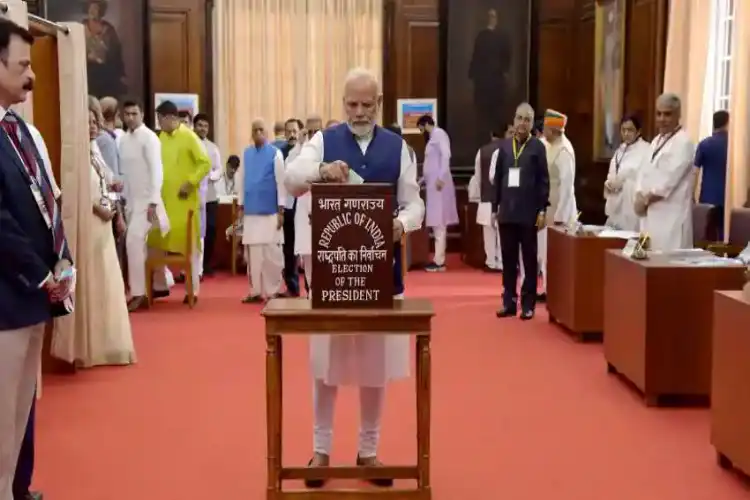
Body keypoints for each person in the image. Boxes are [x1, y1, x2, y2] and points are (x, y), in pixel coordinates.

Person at [285, 67, 425, 487]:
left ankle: (369, 452)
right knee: (325, 365)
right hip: (332, 277)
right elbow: (292, 180)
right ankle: (321, 451)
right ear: (342, 102)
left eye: (367, 105)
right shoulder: (323, 141)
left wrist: (402, 225)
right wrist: (320, 173)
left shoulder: (398, 147)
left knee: (374, 366)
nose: (359, 112)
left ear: (378, 104)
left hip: (382, 274)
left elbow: (414, 204)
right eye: (352, 104)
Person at [0, 18, 74, 500]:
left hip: (35, 297)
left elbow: (48, 200)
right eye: (23, 64)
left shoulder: (22, 131)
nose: (32, 75)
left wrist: (62, 261)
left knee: (19, 412)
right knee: (0, 414)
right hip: (6, 296)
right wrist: (39, 272)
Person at [83, 104, 135, 366]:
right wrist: (105, 210)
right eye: (88, 121)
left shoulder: (97, 152)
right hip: (91, 224)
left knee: (109, 279)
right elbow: (82, 191)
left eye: (95, 121)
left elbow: (105, 184)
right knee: (95, 280)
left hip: (105, 219)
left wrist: (115, 210)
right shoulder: (79, 156)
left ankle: (107, 342)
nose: (92, 125)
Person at [148, 100, 211, 304]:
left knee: (189, 248)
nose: (158, 123)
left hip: (184, 205)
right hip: (163, 203)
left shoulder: (189, 136)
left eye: (160, 119)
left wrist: (190, 182)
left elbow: (205, 163)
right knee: (155, 243)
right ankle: (159, 286)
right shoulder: (160, 138)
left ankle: (192, 291)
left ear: (171, 118)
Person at [492, 102, 549, 320]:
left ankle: (528, 304)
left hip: (528, 213)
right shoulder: (504, 148)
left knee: (529, 259)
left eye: (527, 119)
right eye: (519, 118)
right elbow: (497, 179)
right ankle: (509, 302)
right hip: (507, 211)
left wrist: (542, 210)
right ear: (513, 121)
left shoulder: (537, 147)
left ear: (532, 123)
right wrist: (495, 207)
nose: (522, 123)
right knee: (508, 259)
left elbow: (544, 181)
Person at [120, 100, 169, 312]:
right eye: (127, 114)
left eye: (134, 113)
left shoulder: (149, 138)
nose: (130, 117)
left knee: (133, 241)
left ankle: (139, 294)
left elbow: (157, 171)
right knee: (136, 246)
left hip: (148, 201)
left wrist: (153, 202)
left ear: (141, 114)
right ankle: (150, 288)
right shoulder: (122, 140)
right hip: (130, 201)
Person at [635, 93, 695, 251]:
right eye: (659, 113)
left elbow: (669, 181)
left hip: (671, 218)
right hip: (650, 216)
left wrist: (645, 199)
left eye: (667, 114)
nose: (662, 118)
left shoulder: (683, 142)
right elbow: (644, 172)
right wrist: (638, 194)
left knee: (667, 267)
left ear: (678, 115)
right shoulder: (656, 141)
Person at [236, 119, 286, 303]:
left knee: (272, 254)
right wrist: (240, 206)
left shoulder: (276, 153)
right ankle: (255, 291)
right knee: (253, 255)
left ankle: (272, 291)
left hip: (271, 211)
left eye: (261, 130)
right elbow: (241, 181)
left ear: (267, 133)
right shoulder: (246, 153)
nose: (258, 133)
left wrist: (281, 210)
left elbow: (281, 183)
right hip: (251, 212)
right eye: (254, 130)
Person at [537, 109, 577, 299]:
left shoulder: (564, 151)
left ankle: (554, 292)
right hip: (546, 207)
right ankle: (547, 288)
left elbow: (567, 188)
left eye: (545, 127)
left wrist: (560, 217)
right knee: (544, 252)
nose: (543, 130)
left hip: (560, 212)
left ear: (554, 130)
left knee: (555, 255)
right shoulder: (547, 145)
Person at [417, 114, 458, 271]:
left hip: (439, 186)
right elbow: (430, 165)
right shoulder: (433, 137)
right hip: (433, 186)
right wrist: (420, 181)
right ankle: (437, 258)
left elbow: (446, 155)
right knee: (436, 223)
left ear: (426, 124)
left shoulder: (439, 134)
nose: (422, 131)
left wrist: (441, 177)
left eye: (421, 128)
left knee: (439, 223)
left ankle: (439, 260)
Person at [468, 8, 511, 139]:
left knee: (497, 109)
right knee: (483, 110)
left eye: (494, 16)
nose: (492, 19)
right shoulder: (481, 36)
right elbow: (476, 56)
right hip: (483, 79)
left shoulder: (503, 36)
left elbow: (507, 56)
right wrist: (474, 75)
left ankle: (496, 133)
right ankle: (483, 134)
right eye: (490, 16)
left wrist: (504, 71)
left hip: (497, 79)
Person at [604, 114, 650, 231]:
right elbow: (612, 172)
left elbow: (645, 179)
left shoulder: (646, 150)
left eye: (630, 130)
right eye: (623, 130)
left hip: (631, 203)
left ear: (638, 131)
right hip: (616, 201)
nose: (626, 133)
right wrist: (609, 183)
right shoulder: (620, 150)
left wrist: (625, 182)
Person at [472, 128, 507, 272]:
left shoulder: (482, 151)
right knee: (503, 233)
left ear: (491, 135)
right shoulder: (509, 151)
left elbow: (478, 176)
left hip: (486, 197)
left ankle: (490, 261)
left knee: (488, 232)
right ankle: (502, 262)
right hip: (503, 199)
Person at [193, 113, 223, 276]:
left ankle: (206, 264)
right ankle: (192, 267)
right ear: (194, 126)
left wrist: (210, 176)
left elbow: (219, 169)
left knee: (210, 229)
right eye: (200, 125)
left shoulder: (213, 147)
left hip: (210, 195)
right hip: (193, 195)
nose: (203, 129)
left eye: (205, 126)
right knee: (193, 231)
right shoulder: (189, 144)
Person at [694, 110, 729, 239]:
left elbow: (695, 171)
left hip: (707, 196)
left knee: (707, 233)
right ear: (727, 123)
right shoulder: (730, 145)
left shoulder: (704, 144)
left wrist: (692, 194)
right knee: (722, 233)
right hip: (725, 197)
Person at [281, 118, 304, 296]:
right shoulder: (280, 153)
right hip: (289, 206)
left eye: (295, 131)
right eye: (288, 131)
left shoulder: (308, 152)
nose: (292, 135)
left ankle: (313, 288)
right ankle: (292, 286)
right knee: (289, 249)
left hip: (306, 206)